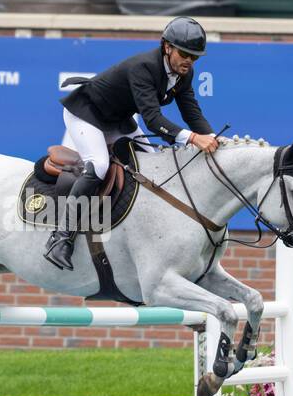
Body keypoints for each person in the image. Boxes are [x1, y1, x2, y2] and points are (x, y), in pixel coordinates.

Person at [43, 17, 220, 271]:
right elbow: (152, 120)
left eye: (195, 57)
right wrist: (193, 138)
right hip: (87, 114)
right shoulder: (144, 67)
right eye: (185, 54)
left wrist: (213, 139)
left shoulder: (184, 73)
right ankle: (60, 238)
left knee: (157, 162)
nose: (189, 61)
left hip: (118, 119)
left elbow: (192, 112)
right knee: (100, 166)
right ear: (167, 46)